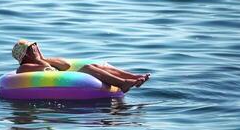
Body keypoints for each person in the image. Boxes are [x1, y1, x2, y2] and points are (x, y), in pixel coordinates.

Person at [12, 39, 150, 93]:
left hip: (63, 77)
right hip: (60, 83)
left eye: (36, 46)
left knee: (93, 65)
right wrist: (40, 59)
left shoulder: (42, 59)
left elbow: (65, 65)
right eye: (32, 48)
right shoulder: (23, 68)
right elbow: (43, 67)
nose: (36, 48)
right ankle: (123, 83)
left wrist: (41, 57)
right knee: (88, 69)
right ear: (25, 54)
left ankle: (133, 77)